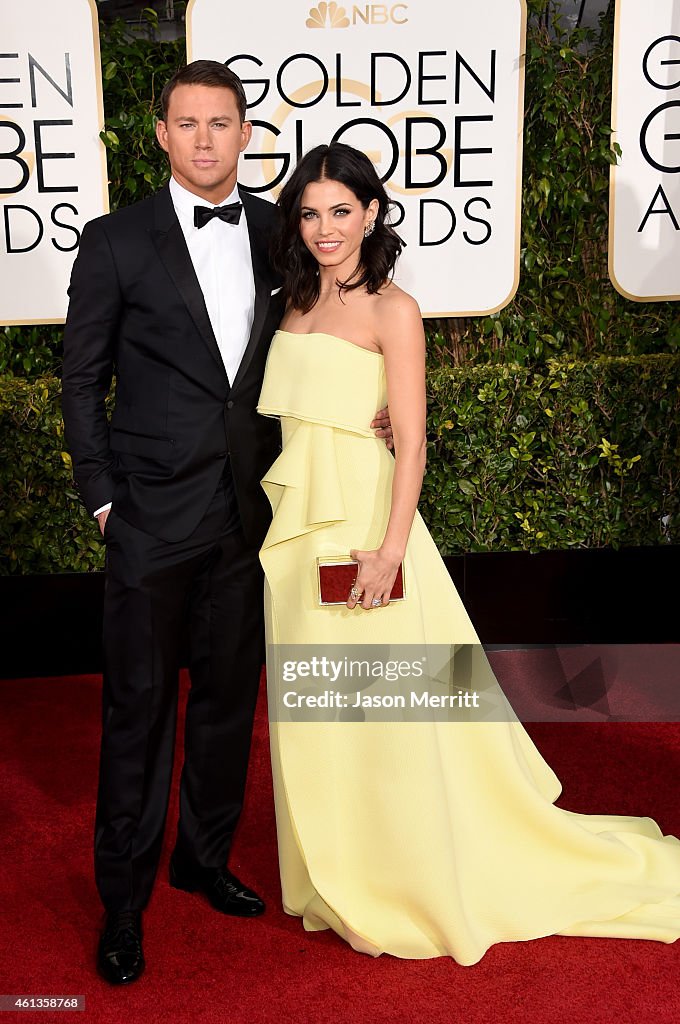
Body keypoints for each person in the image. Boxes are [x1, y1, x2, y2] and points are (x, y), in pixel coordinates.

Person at [256, 142, 680, 965]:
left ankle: (412, 871)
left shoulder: (394, 308)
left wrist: (386, 551)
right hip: (296, 535)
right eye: (309, 212)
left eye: (341, 210)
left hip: (368, 532)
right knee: (324, 713)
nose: (325, 227)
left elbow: (411, 443)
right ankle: (341, 867)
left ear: (372, 213)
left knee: (396, 719)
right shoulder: (290, 301)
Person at [61, 63, 391, 986]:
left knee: (226, 704)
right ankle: (123, 906)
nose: (206, 139)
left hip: (253, 516)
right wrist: (103, 498)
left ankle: (202, 861)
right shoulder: (114, 240)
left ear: (247, 135)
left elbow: (332, 334)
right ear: (161, 136)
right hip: (148, 519)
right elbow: (81, 380)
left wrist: (380, 407)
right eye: (187, 123)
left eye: (222, 122)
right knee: (138, 713)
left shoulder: (279, 234)